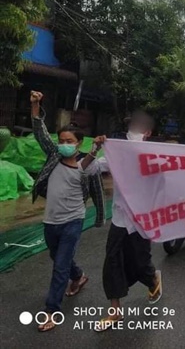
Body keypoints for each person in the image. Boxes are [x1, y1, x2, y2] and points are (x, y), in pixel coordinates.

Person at [30, 91, 105, 332]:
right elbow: (39, 132)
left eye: (69, 141)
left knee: (59, 266)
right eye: (61, 140)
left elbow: (95, 187)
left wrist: (100, 217)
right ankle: (79, 276)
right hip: (50, 222)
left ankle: (51, 311)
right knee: (57, 258)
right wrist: (35, 105)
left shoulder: (87, 166)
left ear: (78, 143)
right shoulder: (53, 156)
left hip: (73, 221)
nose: (63, 144)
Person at [95, 110, 163, 331]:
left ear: (148, 133)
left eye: (137, 129)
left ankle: (153, 280)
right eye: (130, 128)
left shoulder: (156, 157)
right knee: (112, 261)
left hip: (143, 220)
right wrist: (95, 148)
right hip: (120, 218)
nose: (132, 132)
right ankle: (115, 311)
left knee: (141, 262)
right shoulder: (117, 156)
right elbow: (88, 170)